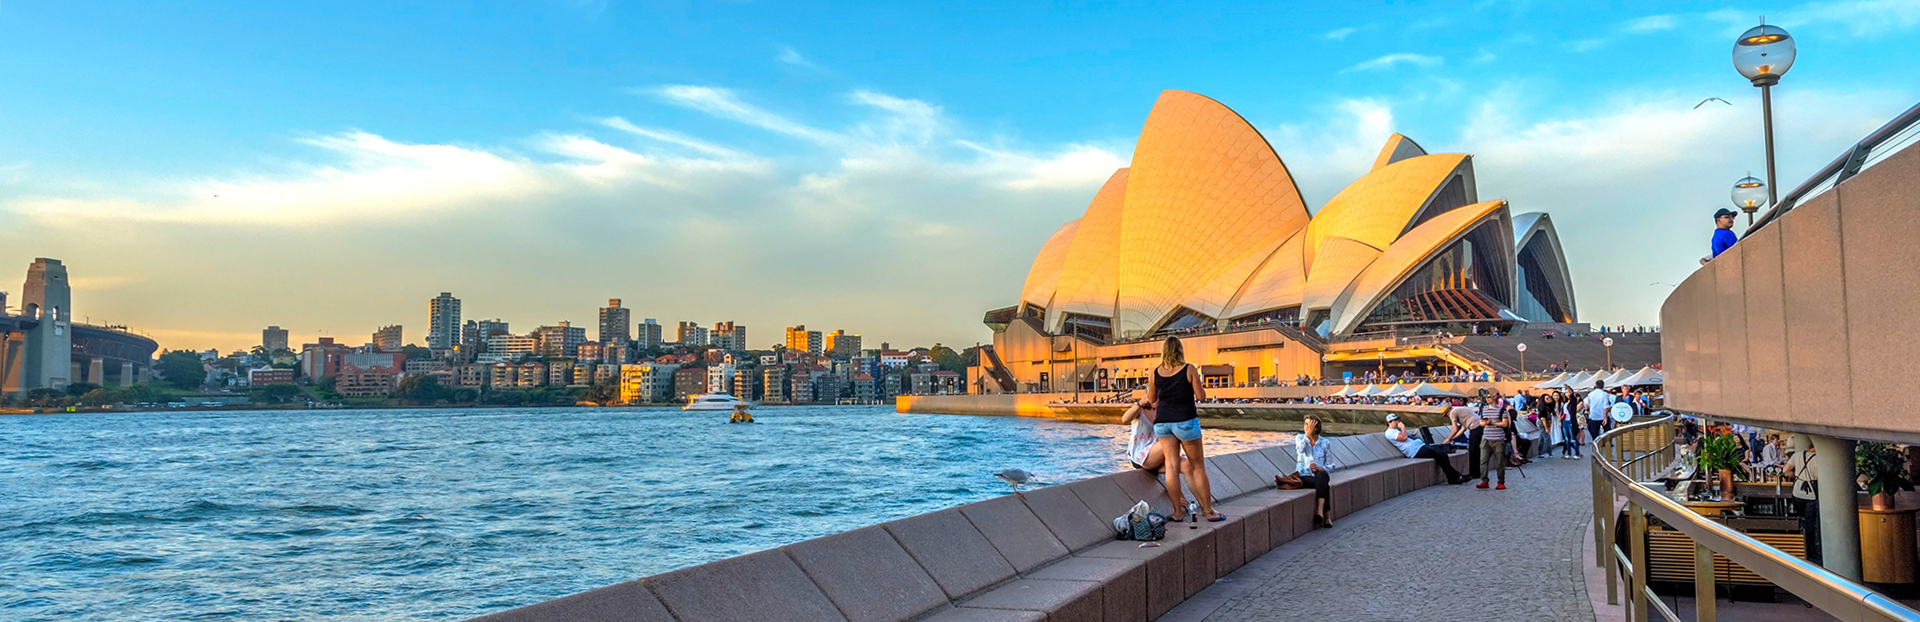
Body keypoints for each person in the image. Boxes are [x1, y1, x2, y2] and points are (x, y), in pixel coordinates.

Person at [1141, 336, 1222, 522]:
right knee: (1197, 466)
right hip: (1185, 421)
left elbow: (1152, 399)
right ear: (1180, 350)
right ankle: (1209, 512)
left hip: (1163, 423)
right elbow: (1201, 396)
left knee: (1171, 465)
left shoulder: (1155, 373)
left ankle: (1177, 512)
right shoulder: (1189, 369)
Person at [1121, 402, 1194, 481]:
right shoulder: (1140, 408)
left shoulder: (1165, 410)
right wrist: (1140, 403)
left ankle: (1196, 493)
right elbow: (1125, 420)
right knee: (1169, 442)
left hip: (1159, 456)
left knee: (1186, 465)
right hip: (1140, 456)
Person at [1386, 413, 1466, 485]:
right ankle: (1455, 477)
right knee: (1438, 454)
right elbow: (1403, 438)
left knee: (1442, 452)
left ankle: (1454, 477)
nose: (1397, 422)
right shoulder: (1389, 433)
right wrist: (1403, 427)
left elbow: (1405, 437)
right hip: (1415, 451)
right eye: (1394, 421)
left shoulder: (1396, 430)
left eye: (1397, 420)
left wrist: (1411, 435)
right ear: (1389, 423)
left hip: (1420, 446)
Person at [1294, 414, 1339, 526]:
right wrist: (1307, 435)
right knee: (1324, 485)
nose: (1306, 427)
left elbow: (1331, 465)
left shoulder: (1325, 443)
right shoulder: (1300, 438)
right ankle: (1326, 516)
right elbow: (1300, 450)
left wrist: (1321, 468)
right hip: (1304, 475)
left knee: (1322, 476)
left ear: (1317, 427)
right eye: (1305, 424)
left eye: (1309, 425)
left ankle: (1320, 512)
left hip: (1319, 475)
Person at [1784, 435, 1821, 564]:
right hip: (1810, 493)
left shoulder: (1797, 455)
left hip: (1797, 490)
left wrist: (1797, 476)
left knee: (1800, 519)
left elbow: (1785, 470)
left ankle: (1798, 545)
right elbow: (1817, 475)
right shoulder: (1817, 459)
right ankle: (1810, 551)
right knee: (1810, 523)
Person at [1476, 389, 1512, 490]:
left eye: (1488, 397)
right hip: (1486, 438)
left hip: (1498, 439)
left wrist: (1493, 423)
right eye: (1485, 398)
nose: (1487, 399)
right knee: (1483, 461)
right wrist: (1485, 423)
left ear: (1494, 398)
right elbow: (1481, 422)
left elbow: (1505, 424)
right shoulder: (1484, 409)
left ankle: (1501, 482)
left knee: (1499, 462)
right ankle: (1484, 481)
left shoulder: (1501, 410)